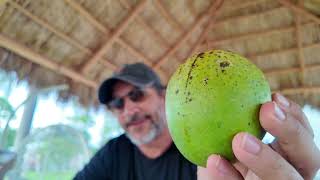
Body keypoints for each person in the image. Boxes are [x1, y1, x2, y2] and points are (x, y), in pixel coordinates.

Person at [74, 63, 320, 180]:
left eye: (136, 95)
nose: (129, 110)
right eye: (117, 104)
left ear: (165, 96)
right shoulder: (115, 152)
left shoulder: (207, 158)